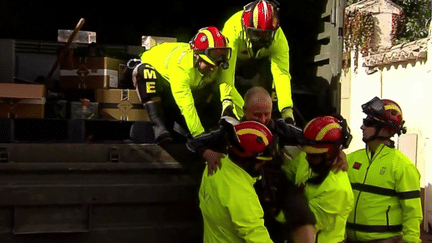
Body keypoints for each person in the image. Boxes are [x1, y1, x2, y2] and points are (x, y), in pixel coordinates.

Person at [132, 26, 232, 145]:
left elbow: (228, 86)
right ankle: (158, 127)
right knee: (145, 72)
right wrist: (200, 136)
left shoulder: (215, 65)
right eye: (208, 63)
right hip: (159, 78)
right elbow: (186, 106)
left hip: (189, 87)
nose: (213, 67)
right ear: (197, 56)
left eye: (216, 64)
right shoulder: (180, 67)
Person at [345, 97, 423, 243]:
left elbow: (412, 212)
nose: (363, 127)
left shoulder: (402, 166)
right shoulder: (351, 159)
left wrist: (411, 240)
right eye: (364, 121)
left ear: (386, 129)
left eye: (369, 123)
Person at [199, 120, 278, 242]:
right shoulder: (241, 193)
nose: (263, 163)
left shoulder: (214, 166)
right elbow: (256, 235)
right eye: (260, 160)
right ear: (246, 160)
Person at [219, 0, 295, 125]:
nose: (260, 39)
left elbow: (282, 75)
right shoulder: (232, 29)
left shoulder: (279, 38)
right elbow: (226, 71)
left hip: (260, 63)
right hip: (235, 62)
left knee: (270, 76)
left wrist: (287, 113)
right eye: (256, 34)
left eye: (266, 35)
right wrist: (227, 104)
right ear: (246, 26)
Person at [283, 115, 354, 243]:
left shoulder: (337, 190)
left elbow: (300, 222)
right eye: (307, 152)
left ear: (329, 155)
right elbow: (284, 177)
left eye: (313, 155)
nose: (307, 158)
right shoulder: (308, 157)